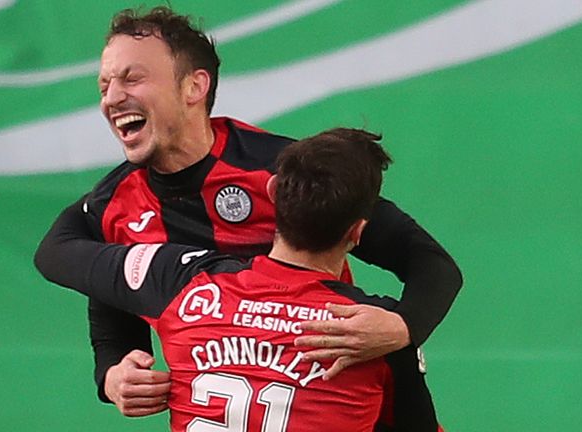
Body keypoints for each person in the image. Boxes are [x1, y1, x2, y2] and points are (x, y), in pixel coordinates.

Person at [34, 6, 462, 417]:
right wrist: (112, 372)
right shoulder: (114, 205)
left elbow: (430, 262)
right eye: (104, 84)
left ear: (194, 87)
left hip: (336, 402)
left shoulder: (281, 171)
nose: (112, 97)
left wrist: (404, 326)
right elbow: (84, 271)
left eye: (132, 78)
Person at [52, 128, 442, 431]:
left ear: (271, 194)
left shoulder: (179, 282)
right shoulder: (374, 331)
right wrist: (404, 329)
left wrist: (111, 370)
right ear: (358, 232)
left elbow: (67, 251)